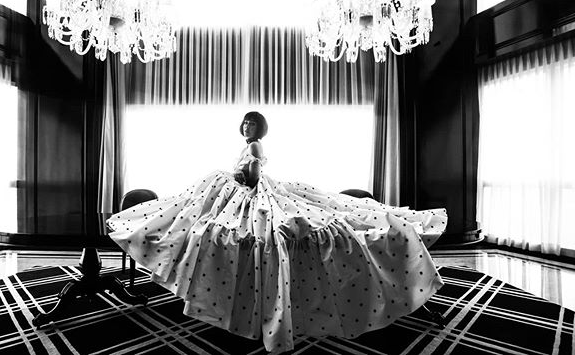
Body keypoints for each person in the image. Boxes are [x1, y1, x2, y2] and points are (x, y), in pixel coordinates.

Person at [107, 111, 447, 353]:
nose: (247, 126)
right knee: (195, 209)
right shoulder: (247, 146)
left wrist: (238, 176)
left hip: (254, 192)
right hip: (242, 189)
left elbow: (253, 176)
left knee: (241, 223)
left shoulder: (254, 147)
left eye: (252, 123)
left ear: (260, 129)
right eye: (245, 122)